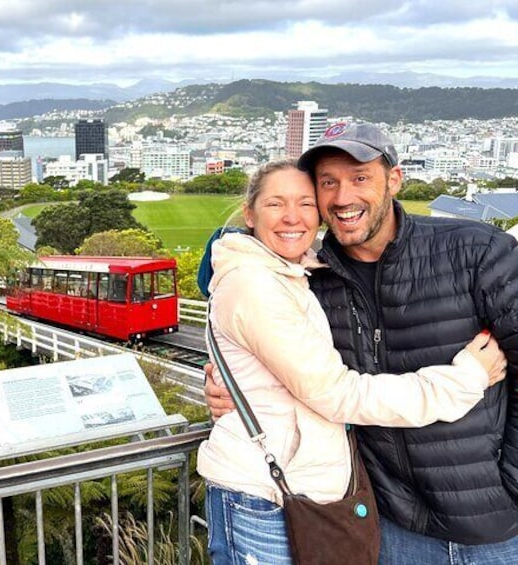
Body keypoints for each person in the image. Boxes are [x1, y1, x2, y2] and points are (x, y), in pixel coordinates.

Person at [204, 122, 518, 563]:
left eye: (360, 177)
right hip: (387, 523)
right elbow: (307, 377)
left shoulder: (475, 251)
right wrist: (228, 386)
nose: (343, 197)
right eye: (328, 183)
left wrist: (511, 485)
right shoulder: (311, 279)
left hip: (492, 527)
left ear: (394, 179)